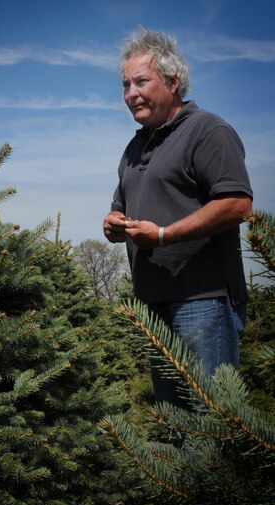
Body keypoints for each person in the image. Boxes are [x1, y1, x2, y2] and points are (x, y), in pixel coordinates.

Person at [103, 27, 253, 408]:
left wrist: (165, 235)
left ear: (173, 82)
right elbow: (120, 205)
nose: (131, 93)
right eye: (125, 85)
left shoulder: (208, 131)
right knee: (175, 422)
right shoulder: (135, 147)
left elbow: (237, 203)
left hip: (203, 301)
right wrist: (113, 224)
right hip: (152, 305)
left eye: (141, 81)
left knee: (211, 418)